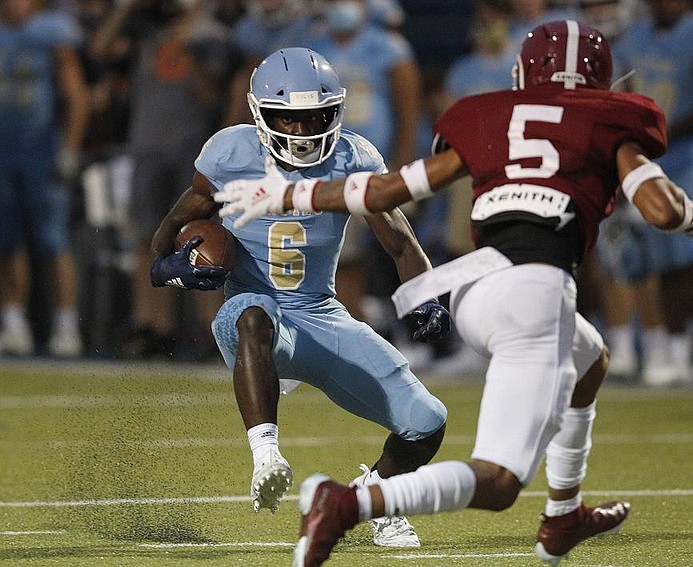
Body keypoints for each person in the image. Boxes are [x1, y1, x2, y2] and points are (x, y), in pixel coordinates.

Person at [213, 21, 693, 566]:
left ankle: (564, 511)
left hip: (475, 282)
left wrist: (290, 191)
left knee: (589, 361)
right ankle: (351, 503)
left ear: (523, 73)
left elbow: (384, 190)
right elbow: (661, 210)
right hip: (534, 290)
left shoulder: (486, 112)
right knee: (498, 482)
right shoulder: (612, 118)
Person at [147, 47, 450, 548]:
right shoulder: (230, 154)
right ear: (260, 113)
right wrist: (173, 268)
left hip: (320, 316)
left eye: (316, 118)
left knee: (427, 422)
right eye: (291, 119)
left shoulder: (355, 157)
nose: (305, 132)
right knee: (253, 313)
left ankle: (373, 497)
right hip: (253, 318)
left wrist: (427, 297)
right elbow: (167, 235)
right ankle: (267, 454)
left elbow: (400, 241)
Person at [89, 0, 233, 360]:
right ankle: (152, 325)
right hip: (146, 146)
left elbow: (212, 96)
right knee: (145, 238)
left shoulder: (212, 36)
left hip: (192, 150)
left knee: (200, 237)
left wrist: (189, 50)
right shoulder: (145, 28)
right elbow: (100, 50)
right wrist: (123, 8)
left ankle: (211, 328)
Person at [612, 0, 693, 385]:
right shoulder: (637, 36)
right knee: (664, 258)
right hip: (660, 157)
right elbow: (628, 91)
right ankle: (677, 351)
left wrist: (666, 133)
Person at [0, 0, 90, 358]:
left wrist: (69, 147)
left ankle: (66, 325)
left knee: (54, 241)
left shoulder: (51, 31)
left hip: (41, 148)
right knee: (7, 243)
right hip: (4, 150)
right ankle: (13, 320)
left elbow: (76, 95)